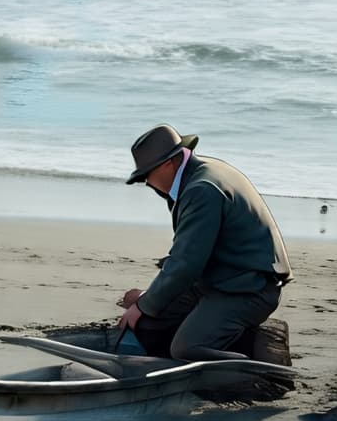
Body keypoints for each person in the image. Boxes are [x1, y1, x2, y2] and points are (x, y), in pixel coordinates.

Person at [116, 125, 292, 360]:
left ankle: (253, 362)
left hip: (248, 289)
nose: (147, 183)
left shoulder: (201, 189)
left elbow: (186, 264)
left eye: (147, 175)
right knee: (148, 324)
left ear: (167, 164)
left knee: (186, 349)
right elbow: (190, 257)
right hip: (220, 277)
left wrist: (142, 304)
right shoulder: (197, 176)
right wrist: (147, 301)